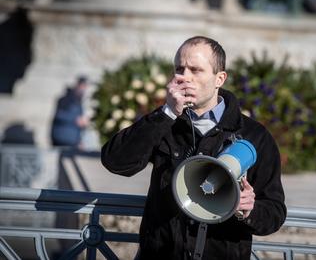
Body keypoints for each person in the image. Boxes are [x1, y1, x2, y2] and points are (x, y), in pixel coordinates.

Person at [101, 36, 286, 260]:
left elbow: (275, 212)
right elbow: (116, 161)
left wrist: (249, 210)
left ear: (220, 79)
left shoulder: (254, 135)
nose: (184, 78)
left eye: (195, 70)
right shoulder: (164, 123)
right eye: (180, 69)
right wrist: (167, 113)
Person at [51, 76, 89, 148]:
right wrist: (76, 119)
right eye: (83, 86)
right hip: (62, 139)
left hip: (72, 141)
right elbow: (59, 115)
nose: (84, 89)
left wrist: (79, 140)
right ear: (78, 85)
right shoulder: (66, 99)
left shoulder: (79, 102)